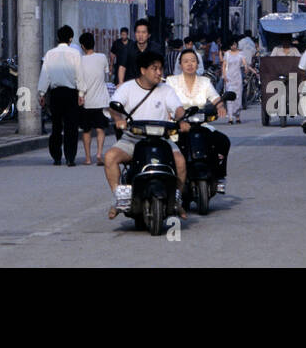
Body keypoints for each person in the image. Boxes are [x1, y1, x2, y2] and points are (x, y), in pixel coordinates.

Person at [104, 49, 187, 219]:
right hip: (133, 140)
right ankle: (120, 198)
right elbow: (113, 107)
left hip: (161, 140)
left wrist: (182, 119)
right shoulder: (127, 88)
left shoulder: (166, 90)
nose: (159, 73)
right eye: (154, 68)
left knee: (180, 161)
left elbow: (178, 108)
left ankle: (177, 199)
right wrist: (118, 119)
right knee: (110, 157)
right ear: (143, 70)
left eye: (160, 69)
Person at [166, 49, 230, 193]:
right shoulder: (171, 81)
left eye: (193, 61)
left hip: (200, 124)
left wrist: (220, 106)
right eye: (186, 61)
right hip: (178, 126)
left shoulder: (205, 82)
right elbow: (165, 101)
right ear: (180, 65)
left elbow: (215, 98)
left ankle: (219, 175)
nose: (190, 64)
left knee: (223, 141)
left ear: (197, 63)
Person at [39, 24, 82, 166]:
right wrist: (81, 93)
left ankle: (56, 156)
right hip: (71, 93)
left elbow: (45, 75)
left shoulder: (50, 54)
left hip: (55, 93)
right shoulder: (75, 54)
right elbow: (79, 75)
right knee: (71, 126)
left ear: (58, 38)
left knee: (56, 126)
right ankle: (70, 157)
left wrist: (42, 93)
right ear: (71, 39)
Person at [77, 32, 109, 165]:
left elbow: (79, 80)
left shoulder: (80, 60)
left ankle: (88, 158)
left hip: (87, 101)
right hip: (101, 100)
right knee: (101, 129)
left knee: (86, 131)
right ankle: (100, 154)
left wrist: (80, 95)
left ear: (83, 46)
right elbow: (107, 75)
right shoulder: (102, 57)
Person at [118, 18, 164, 85]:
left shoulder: (155, 49)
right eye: (138, 32)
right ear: (135, 34)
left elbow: (160, 67)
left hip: (150, 84)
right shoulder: (128, 48)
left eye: (143, 32)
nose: (140, 35)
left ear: (149, 35)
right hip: (132, 84)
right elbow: (122, 66)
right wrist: (120, 82)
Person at [221, 37, 247, 122]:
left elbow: (244, 62)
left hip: (238, 78)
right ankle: (230, 117)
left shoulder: (241, 53)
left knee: (238, 97)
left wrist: (246, 67)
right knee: (229, 97)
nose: (233, 46)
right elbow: (224, 65)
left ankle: (238, 115)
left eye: (235, 44)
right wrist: (224, 76)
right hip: (229, 78)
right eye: (232, 45)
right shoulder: (227, 54)